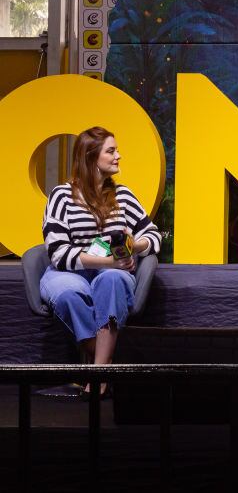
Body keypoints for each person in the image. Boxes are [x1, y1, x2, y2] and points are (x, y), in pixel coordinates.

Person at [40, 127, 162, 396]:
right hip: (71, 272)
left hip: (113, 271)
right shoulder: (61, 196)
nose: (119, 156)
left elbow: (153, 237)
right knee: (68, 294)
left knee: (113, 279)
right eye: (111, 150)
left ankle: (97, 379)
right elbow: (59, 253)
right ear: (90, 156)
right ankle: (107, 365)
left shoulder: (123, 196)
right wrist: (107, 261)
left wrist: (133, 244)